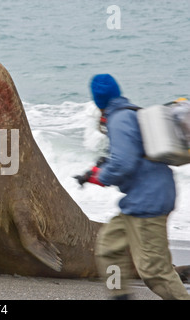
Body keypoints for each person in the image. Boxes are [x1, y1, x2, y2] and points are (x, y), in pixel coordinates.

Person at [85, 74, 190, 300]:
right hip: (138, 201)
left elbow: (124, 163)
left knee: (155, 272)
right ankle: (120, 296)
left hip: (148, 203)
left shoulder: (119, 119)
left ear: (98, 101)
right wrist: (98, 171)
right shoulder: (128, 113)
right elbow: (130, 158)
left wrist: (100, 177)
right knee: (109, 248)